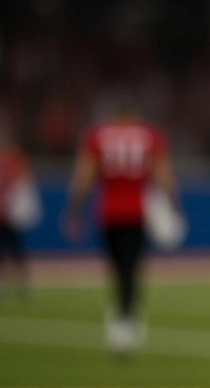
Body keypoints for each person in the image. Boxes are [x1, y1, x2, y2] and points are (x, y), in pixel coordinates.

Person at [63, 102, 180, 353]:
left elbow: (84, 175)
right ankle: (127, 315)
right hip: (137, 212)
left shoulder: (98, 135)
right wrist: (173, 203)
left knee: (117, 267)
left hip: (108, 211)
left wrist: (74, 210)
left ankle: (122, 315)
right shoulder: (149, 135)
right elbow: (162, 172)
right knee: (131, 267)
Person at [0, 133, 42, 301]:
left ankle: (22, 283)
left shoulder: (15, 163)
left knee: (16, 251)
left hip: (11, 214)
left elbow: (26, 184)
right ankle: (2, 285)